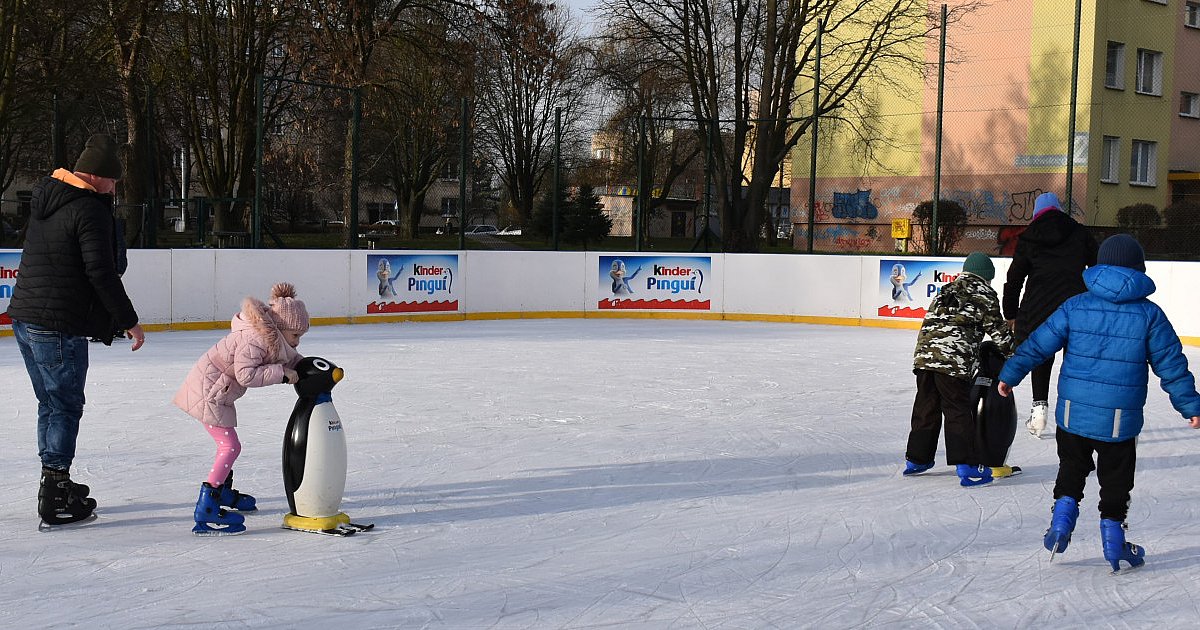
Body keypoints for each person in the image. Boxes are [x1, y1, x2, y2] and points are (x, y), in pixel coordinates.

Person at [998, 234, 1200, 572]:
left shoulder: (1075, 305)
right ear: (1139, 268)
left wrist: (1009, 374)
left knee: (1072, 468)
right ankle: (1113, 540)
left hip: (1073, 413)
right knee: (1116, 480)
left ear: (1098, 267)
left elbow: (1038, 344)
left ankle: (1062, 520)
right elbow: (1172, 365)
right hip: (1119, 422)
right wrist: (1190, 406)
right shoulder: (1150, 315)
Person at [7, 133, 147, 527]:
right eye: (114, 181)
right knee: (65, 405)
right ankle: (55, 494)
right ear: (98, 177)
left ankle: (54, 482)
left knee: (50, 404)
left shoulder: (47, 199)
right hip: (57, 324)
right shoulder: (89, 209)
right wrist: (128, 321)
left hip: (25, 318)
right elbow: (100, 272)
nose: (116, 188)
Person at [173, 282, 310, 536]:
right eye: (296, 336)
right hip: (208, 392)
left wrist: (305, 367)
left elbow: (288, 355)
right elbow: (246, 375)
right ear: (280, 329)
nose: (298, 342)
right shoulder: (254, 339)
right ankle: (207, 506)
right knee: (230, 447)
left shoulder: (271, 337)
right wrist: (281, 373)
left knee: (228, 447)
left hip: (216, 390)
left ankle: (222, 491)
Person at [902, 252, 1015, 486]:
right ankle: (968, 466)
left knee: (926, 406)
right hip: (952, 361)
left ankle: (917, 459)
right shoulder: (984, 293)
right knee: (957, 410)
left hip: (925, 358)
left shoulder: (947, 289)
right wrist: (1016, 354)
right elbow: (998, 332)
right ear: (987, 276)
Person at [1002, 192, 1098, 437]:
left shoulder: (1029, 237)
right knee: (1075, 361)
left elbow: (1014, 280)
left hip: (1038, 308)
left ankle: (1039, 412)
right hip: (1076, 307)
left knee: (1041, 358)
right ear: (1059, 210)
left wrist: (1010, 313)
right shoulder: (1080, 233)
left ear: (1036, 213)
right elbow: (1098, 267)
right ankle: (1075, 413)